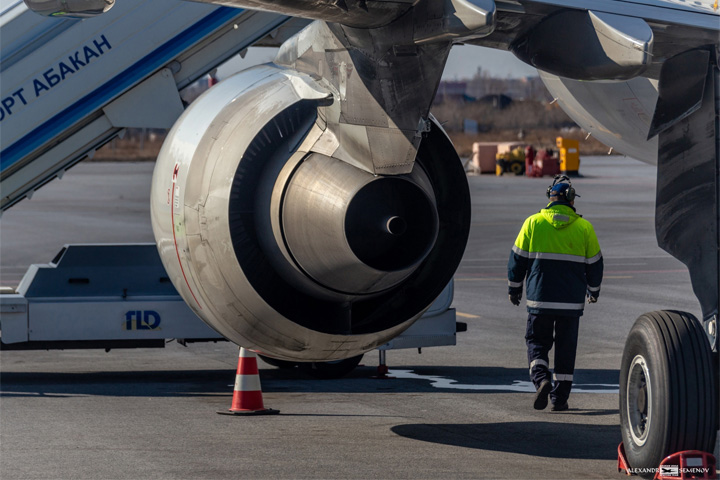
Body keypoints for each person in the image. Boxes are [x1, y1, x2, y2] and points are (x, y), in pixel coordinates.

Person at [507, 175, 603, 411]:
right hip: (570, 304)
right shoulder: (584, 228)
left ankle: (541, 379)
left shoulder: (532, 223)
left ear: (550, 197)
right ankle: (559, 399)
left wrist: (514, 288)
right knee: (565, 349)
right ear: (570, 199)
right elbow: (595, 264)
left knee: (537, 342)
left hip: (540, 300)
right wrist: (593, 291)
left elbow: (516, 260)